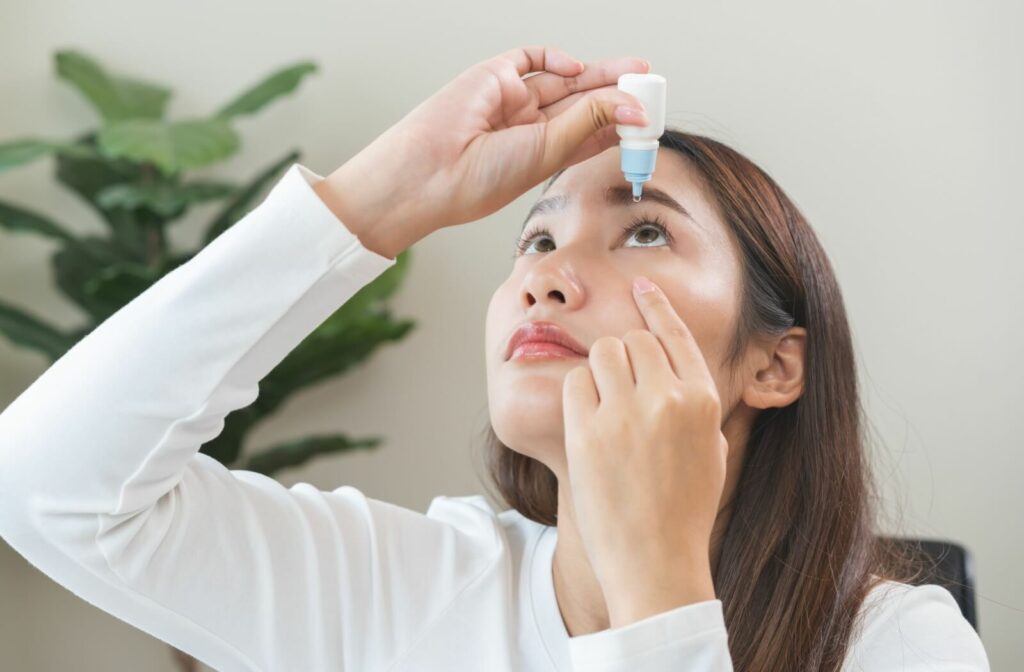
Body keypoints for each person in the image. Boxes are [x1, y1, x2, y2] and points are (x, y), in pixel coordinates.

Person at [0, 46, 990, 671]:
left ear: (773, 365)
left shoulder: (899, 644)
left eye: (644, 231)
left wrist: (657, 594)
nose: (546, 278)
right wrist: (376, 203)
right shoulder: (403, 586)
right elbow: (47, 486)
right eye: (535, 239)